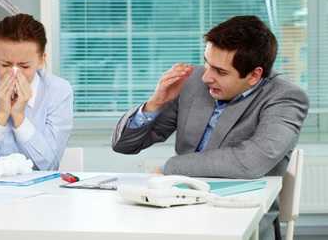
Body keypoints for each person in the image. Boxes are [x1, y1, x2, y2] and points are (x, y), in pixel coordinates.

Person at [112, 15, 309, 239]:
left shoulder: (286, 97)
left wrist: (170, 167)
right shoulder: (194, 81)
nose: (206, 77)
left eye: (220, 72)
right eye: (207, 62)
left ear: (255, 75)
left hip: (239, 217)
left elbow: (251, 162)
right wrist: (154, 103)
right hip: (176, 209)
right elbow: (124, 145)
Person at [0, 14, 73, 170]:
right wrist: (1, 116)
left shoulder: (59, 90)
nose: (14, 73)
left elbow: (49, 164)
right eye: (5, 64)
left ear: (41, 60)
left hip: (40, 191)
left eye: (24, 66)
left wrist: (19, 116)